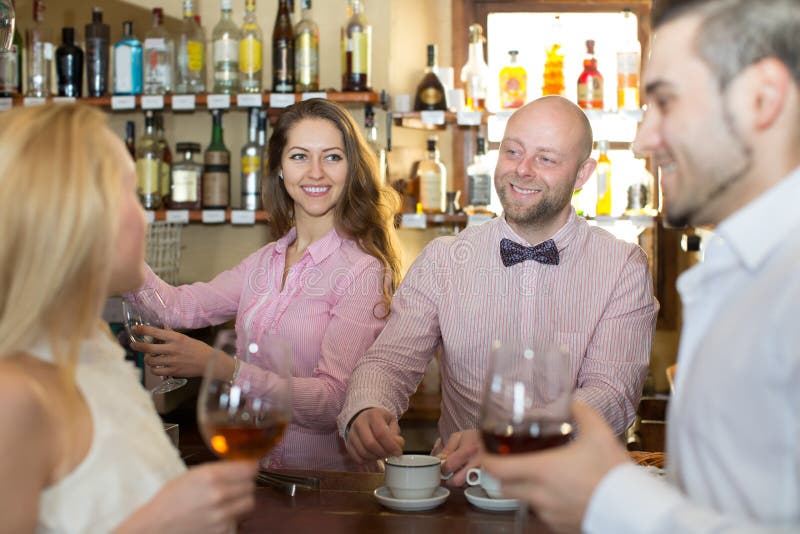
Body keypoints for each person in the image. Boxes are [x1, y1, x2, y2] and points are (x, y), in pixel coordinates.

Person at [481, 1, 800, 532]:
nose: (642, 140)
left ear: (761, 98)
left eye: (666, 102)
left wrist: (608, 500)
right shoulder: (737, 266)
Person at [339, 95, 658, 483]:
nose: (522, 169)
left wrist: (506, 439)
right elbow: (390, 361)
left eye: (546, 159)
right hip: (463, 491)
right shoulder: (443, 259)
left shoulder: (623, 267)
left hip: (576, 493)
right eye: (512, 151)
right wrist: (367, 407)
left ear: (582, 174)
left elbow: (612, 394)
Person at [0, 104, 257, 532]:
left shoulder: (93, 345)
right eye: (132, 194)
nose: (146, 216)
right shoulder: (15, 394)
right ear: (76, 217)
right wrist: (158, 523)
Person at [131, 98, 402, 471]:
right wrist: (120, 255)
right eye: (299, 156)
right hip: (257, 472)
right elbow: (178, 308)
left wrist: (221, 367)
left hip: (325, 488)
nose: (316, 172)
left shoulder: (363, 271)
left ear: (352, 168)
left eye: (332, 157)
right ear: (279, 169)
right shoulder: (264, 263)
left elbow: (334, 403)